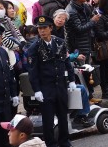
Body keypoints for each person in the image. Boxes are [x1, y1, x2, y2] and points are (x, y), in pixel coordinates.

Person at [27, 15, 75, 147]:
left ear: (51, 28)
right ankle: (51, 143)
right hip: (46, 87)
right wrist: (36, 90)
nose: (42, 31)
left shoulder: (59, 42)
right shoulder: (34, 48)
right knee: (48, 119)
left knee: (63, 115)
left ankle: (64, 141)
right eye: (39, 28)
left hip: (60, 85)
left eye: (44, 28)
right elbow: (33, 71)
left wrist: (71, 79)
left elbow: (66, 61)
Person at [65, 0, 101, 102]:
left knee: (87, 70)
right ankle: (85, 98)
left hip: (86, 43)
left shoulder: (82, 6)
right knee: (81, 72)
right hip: (77, 46)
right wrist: (92, 21)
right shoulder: (71, 11)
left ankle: (90, 96)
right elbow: (79, 29)